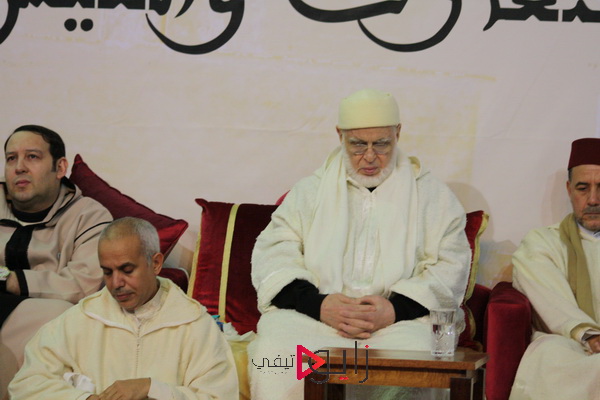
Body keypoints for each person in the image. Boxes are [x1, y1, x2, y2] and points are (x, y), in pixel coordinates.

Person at [249, 89, 471, 399]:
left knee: (419, 357)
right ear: (339, 135)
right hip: (316, 320)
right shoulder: (310, 192)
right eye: (357, 144)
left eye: (381, 144)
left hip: (398, 325)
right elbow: (273, 256)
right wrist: (319, 305)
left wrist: (393, 309)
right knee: (276, 352)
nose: (369, 156)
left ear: (398, 133)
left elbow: (450, 268)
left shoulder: (433, 196)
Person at [9, 217, 239, 400]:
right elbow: (25, 385)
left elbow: (219, 396)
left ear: (156, 263)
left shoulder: (195, 325)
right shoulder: (80, 320)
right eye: (107, 272)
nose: (116, 283)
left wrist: (151, 388)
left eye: (127, 270)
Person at [0, 125, 112, 398]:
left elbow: (83, 284)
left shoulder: (89, 215)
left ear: (60, 167)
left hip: (40, 311)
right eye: (11, 158)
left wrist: (7, 279)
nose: (19, 167)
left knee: (59, 315)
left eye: (32, 157)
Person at [510, 138, 600, 399]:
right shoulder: (542, 243)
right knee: (552, 356)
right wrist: (588, 334)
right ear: (569, 189)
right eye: (583, 188)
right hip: (568, 344)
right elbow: (554, 303)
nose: (593, 199)